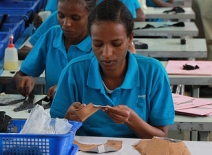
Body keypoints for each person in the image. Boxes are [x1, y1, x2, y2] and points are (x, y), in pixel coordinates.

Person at [50, 0, 174, 138]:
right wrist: (69, 119)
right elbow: (55, 130)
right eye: (98, 44)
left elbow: (162, 136)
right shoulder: (74, 71)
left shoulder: (153, 73)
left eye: (116, 44)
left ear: (130, 38)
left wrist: (131, 119)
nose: (106, 53)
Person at [11, 0, 97, 98]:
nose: (66, 23)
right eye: (61, 16)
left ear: (91, 17)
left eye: (75, 18)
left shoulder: (98, 44)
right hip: (52, 111)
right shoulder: (51, 36)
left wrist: (66, 90)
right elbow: (18, 76)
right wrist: (21, 81)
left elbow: (106, 90)